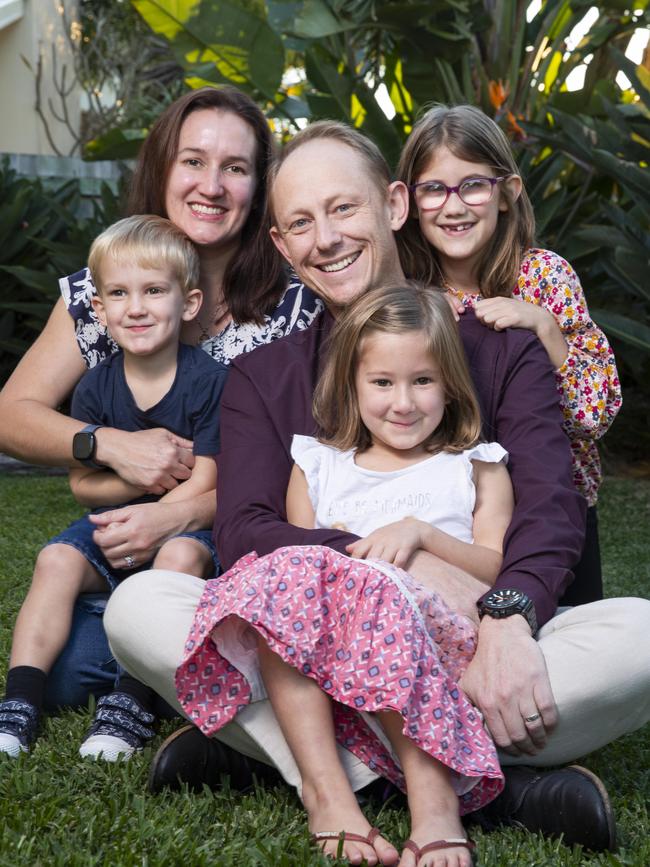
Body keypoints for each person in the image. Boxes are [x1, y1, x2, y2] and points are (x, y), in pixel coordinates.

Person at [104, 121, 650, 854]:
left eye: (344, 209)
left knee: (641, 636)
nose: (325, 238)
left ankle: (285, 759)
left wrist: (508, 617)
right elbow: (246, 531)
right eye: (301, 222)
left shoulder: (498, 343)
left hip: (470, 636)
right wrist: (402, 566)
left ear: (395, 205)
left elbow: (551, 507)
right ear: (282, 245)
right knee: (139, 605)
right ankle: (489, 787)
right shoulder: (264, 379)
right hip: (314, 645)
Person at [0, 85, 321, 711]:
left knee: (109, 664)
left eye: (236, 168)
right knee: (66, 676)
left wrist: (174, 516)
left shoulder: (293, 307)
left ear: (259, 189)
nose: (212, 185)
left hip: (227, 542)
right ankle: (146, 634)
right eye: (194, 161)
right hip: (120, 542)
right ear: (163, 168)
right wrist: (108, 444)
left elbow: (303, 463)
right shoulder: (105, 291)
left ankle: (197, 644)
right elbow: (11, 413)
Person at [175, 283, 513, 866]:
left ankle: (434, 805)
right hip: (327, 666)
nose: (402, 403)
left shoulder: (474, 468)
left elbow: (492, 571)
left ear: (452, 385)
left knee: (364, 583)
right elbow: (296, 568)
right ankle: (329, 794)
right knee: (283, 579)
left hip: (440, 653)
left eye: (423, 381)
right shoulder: (318, 466)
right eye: (382, 383)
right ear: (352, 388)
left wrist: (422, 535)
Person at [0, 215, 227, 762]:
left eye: (154, 291)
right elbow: (83, 485)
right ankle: (18, 705)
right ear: (98, 310)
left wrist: (151, 523)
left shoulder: (210, 381)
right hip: (116, 524)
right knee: (56, 558)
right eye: (120, 294)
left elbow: (209, 477)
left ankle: (131, 701)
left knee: (173, 554)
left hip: (188, 528)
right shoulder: (96, 387)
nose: (137, 307)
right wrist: (124, 488)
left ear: (188, 303)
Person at [396, 104, 621, 605]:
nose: (453, 207)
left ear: (507, 193)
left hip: (556, 510)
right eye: (434, 189)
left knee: (565, 651)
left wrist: (544, 327)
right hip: (452, 515)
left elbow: (593, 416)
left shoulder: (544, 276)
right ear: (409, 201)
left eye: (472, 185)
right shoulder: (409, 291)